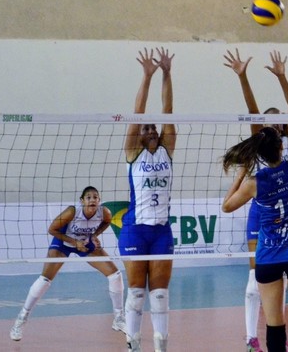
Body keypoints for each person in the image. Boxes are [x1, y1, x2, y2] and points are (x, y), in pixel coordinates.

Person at [222, 51, 288, 352]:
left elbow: (227, 206)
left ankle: (257, 336)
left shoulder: (255, 180)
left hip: (269, 237)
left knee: (274, 323)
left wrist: (281, 77)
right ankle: (252, 332)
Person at [9, 186, 126, 341]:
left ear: (99, 200)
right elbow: (52, 229)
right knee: (45, 280)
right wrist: (73, 242)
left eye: (95, 197)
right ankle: (21, 319)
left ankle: (118, 319)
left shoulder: (104, 212)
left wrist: (94, 235)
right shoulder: (72, 212)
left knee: (115, 275)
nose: (92, 200)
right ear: (82, 201)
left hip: (84, 241)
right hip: (64, 240)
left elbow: (107, 222)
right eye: (89, 197)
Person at [120, 47, 176, 352]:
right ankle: (133, 344)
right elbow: (136, 114)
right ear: (140, 135)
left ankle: (161, 346)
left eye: (153, 127)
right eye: (147, 128)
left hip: (161, 230)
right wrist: (147, 76)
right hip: (135, 229)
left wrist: (168, 73)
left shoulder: (167, 150)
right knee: (137, 293)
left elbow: (169, 113)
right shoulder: (133, 153)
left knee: (160, 294)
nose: (151, 129)